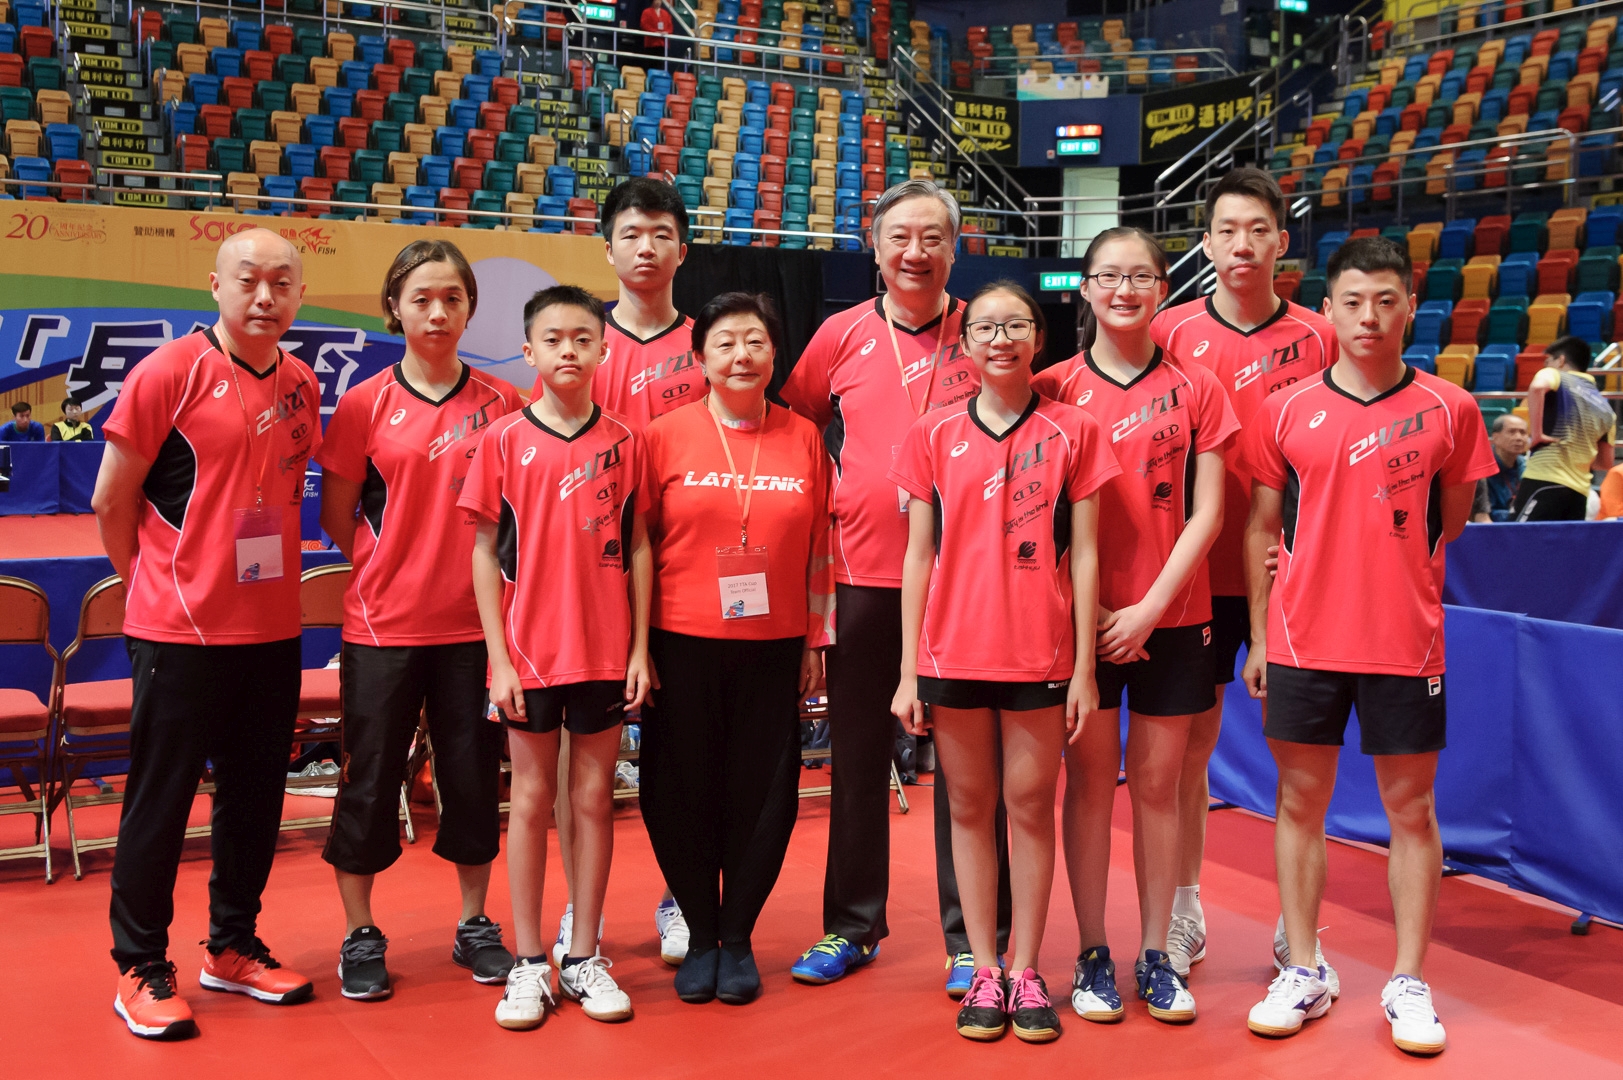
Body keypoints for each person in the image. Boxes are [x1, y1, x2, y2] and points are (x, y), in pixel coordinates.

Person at [1240, 237, 1497, 1055]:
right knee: (1298, 804)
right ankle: (1302, 969)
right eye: (1351, 302)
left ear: (1409, 308)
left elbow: (1451, 523)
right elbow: (1261, 528)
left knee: (1410, 811)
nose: (1368, 317)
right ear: (1327, 310)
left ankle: (1407, 981)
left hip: (1403, 643)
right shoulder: (1284, 410)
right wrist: (1259, 636)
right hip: (1301, 638)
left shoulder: (1450, 409)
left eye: (1385, 301)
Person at [782, 178, 1011, 997]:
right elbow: (798, 426)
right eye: (899, 238)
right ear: (874, 250)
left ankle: (974, 937)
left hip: (967, 584)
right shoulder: (840, 334)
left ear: (956, 247)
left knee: (969, 769)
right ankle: (851, 925)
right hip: (860, 576)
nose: (915, 253)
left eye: (932, 238)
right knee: (856, 759)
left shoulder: (984, 332)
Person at [92, 228, 322, 1039]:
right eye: (248, 280)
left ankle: (230, 946)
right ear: (215, 286)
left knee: (255, 800)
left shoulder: (301, 383)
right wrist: (151, 586)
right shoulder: (170, 371)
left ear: (299, 294)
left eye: (282, 283)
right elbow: (111, 500)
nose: (265, 296)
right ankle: (138, 965)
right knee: (160, 804)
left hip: (271, 628)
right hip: (179, 631)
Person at [890, 281, 1117, 1042]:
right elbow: (917, 556)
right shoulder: (930, 433)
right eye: (984, 326)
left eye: (1015, 325)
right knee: (967, 808)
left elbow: (1087, 555)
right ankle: (982, 967)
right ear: (966, 344)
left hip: (1039, 655)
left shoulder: (1075, 431)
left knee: (1029, 807)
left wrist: (1084, 669)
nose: (999, 338)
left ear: (1037, 339)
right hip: (952, 649)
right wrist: (908, 671)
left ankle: (1026, 969)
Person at [1036, 229, 1238, 1026]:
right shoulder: (1051, 387)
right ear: (1085, 288)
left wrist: (1150, 608)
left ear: (1161, 288)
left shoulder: (1198, 388)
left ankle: (1155, 953)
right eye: (1109, 277)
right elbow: (1041, 518)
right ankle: (1093, 952)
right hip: (1080, 623)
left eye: (1141, 277)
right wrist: (1090, 613)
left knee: (1158, 786)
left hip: (1175, 618)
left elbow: (1208, 512)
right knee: (1088, 784)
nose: (1124, 290)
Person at [316, 240, 523, 1001]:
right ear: (394, 308)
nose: (438, 312)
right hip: (383, 629)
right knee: (368, 781)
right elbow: (337, 514)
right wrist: (391, 565)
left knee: (471, 780)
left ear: (470, 309)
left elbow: (513, 518)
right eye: (422, 298)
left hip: (475, 632)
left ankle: (474, 923)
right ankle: (359, 932)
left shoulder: (503, 402)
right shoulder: (365, 403)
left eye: (452, 298)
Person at [1149, 166, 1338, 985]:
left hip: (1288, 579)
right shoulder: (1168, 330)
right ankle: (1183, 908)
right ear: (1205, 242)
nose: (1241, 245)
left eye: (1257, 230)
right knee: (1188, 752)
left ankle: (1297, 931)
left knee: (1301, 762)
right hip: (1192, 577)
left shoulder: (1320, 337)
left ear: (1281, 242)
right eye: (1226, 230)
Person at [461, 285, 652, 1031]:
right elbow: (484, 552)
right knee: (532, 801)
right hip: (529, 655)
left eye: (581, 338)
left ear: (603, 348)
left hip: (604, 653)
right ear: (528, 351)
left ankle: (583, 955)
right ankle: (528, 961)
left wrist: (638, 648)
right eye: (552, 339)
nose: (568, 350)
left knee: (594, 800)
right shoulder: (503, 440)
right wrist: (498, 659)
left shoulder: (627, 442)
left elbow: (639, 545)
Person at [638, 292, 834, 1006]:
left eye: (755, 341)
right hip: (680, 641)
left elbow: (821, 544)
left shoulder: (804, 437)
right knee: (678, 790)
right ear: (700, 359)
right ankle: (698, 932)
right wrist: (637, 645)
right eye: (724, 343)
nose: (741, 355)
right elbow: (638, 545)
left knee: (764, 795)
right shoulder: (663, 436)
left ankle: (740, 935)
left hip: (774, 644)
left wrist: (816, 636)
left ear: (775, 355)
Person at [553, 177, 696, 970]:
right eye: (631, 234)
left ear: (683, 248)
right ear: (606, 248)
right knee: (584, 764)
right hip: (593, 586)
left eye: (660, 233)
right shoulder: (579, 342)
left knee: (685, 756)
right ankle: (582, 905)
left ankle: (682, 897)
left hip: (691, 580)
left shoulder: (708, 345)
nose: (646, 248)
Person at [1511, 336, 1615, 521]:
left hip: (1544, 479)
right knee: (1564, 541)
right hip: (1579, 494)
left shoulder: (1555, 375)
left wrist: (1537, 435)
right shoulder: (1606, 407)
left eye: (1548, 361)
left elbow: (1537, 388)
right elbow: (1605, 463)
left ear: (1560, 360)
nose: (1545, 366)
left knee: (1520, 538)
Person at [1471, 414, 1528, 522]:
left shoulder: (1527, 466)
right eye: (1512, 432)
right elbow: (1481, 515)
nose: (1518, 437)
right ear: (1495, 437)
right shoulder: (1480, 467)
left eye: (1523, 432)